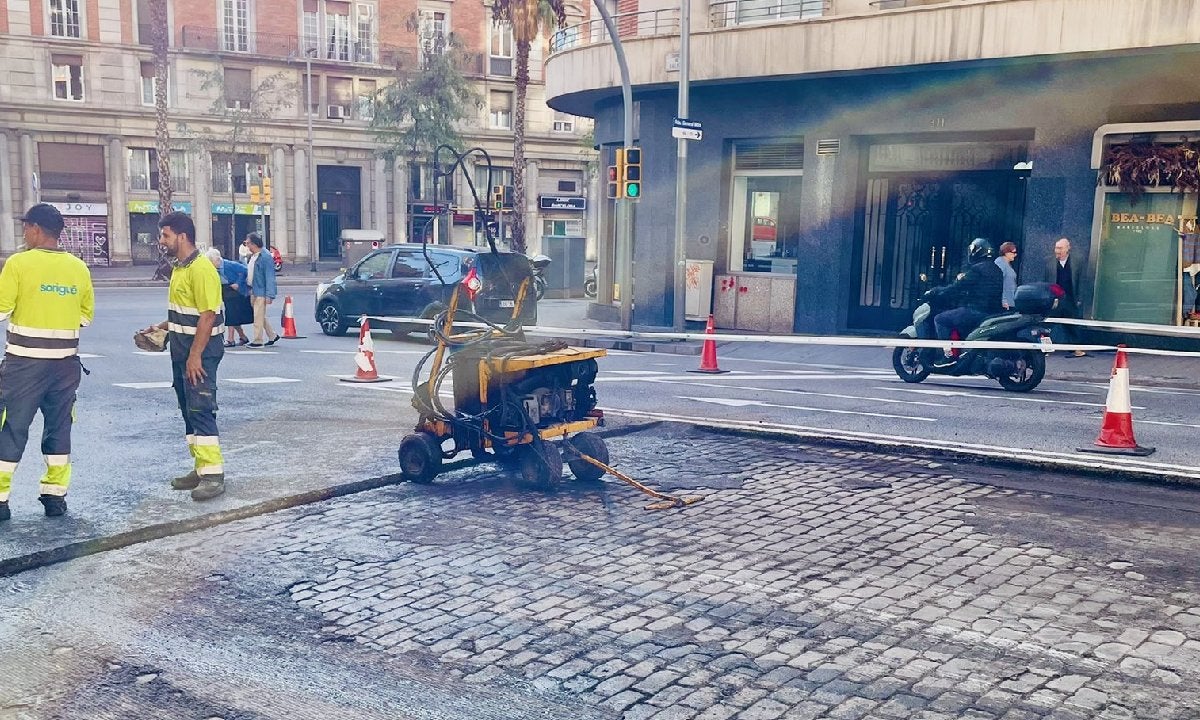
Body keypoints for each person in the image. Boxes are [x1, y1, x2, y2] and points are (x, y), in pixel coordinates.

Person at [0, 204, 94, 521]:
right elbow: (84, 317)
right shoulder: (79, 268)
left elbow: (1, 309)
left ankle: (0, 501)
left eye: (26, 226)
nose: (24, 232)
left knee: (12, 428)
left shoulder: (18, 264)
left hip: (24, 364)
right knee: (59, 428)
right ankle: (55, 497)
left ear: (37, 229)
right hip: (65, 365)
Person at [140, 211, 227, 501]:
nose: (161, 241)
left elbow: (207, 315)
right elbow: (184, 312)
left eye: (165, 235)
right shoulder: (180, 268)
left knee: (201, 409)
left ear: (182, 236)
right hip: (182, 351)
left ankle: (213, 476)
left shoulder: (201, 269)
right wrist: (160, 327)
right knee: (188, 410)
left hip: (199, 353)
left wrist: (195, 357)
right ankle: (201, 468)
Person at [930, 238, 1004, 368]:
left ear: (976, 252)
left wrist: (937, 291)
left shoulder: (976, 269)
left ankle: (949, 356)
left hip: (976, 310)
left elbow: (958, 286)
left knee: (940, 319)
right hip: (992, 312)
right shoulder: (996, 269)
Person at [1044, 237, 1086, 357]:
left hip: (1070, 298)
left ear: (1068, 248)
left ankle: (1075, 348)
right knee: (1048, 324)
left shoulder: (1077, 261)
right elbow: (1046, 281)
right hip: (1054, 299)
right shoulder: (1049, 262)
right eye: (1056, 248)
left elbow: (1081, 280)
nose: (1057, 250)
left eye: (1060, 248)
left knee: (1072, 324)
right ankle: (1045, 348)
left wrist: (1079, 298)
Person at [206, 248, 252, 347]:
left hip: (235, 291)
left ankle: (230, 339)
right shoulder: (214, 268)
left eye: (212, 262)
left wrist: (238, 283)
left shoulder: (229, 265)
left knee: (231, 314)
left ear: (217, 260)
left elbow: (245, 270)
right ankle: (243, 337)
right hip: (225, 290)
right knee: (233, 315)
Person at [245, 233, 280, 347]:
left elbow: (269, 276)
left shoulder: (265, 256)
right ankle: (272, 335)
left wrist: (269, 295)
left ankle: (258, 340)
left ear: (254, 244)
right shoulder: (253, 256)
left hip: (261, 291)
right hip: (254, 290)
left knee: (257, 317)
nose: (247, 245)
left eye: (248, 243)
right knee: (260, 315)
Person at [995, 241, 1018, 310]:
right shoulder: (1000, 263)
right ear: (1006, 252)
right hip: (1005, 304)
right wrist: (1003, 300)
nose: (1015, 255)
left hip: (1010, 301)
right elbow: (998, 282)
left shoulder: (1007, 264)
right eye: (1013, 253)